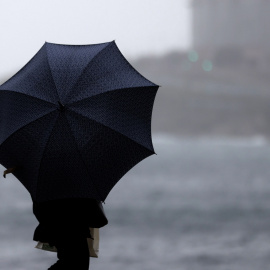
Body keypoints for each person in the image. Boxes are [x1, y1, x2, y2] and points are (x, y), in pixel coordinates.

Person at [32, 198, 108, 270]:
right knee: (75, 263)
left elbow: (38, 210)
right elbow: (99, 220)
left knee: (71, 262)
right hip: (74, 232)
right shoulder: (78, 188)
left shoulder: (46, 189)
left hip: (60, 231)